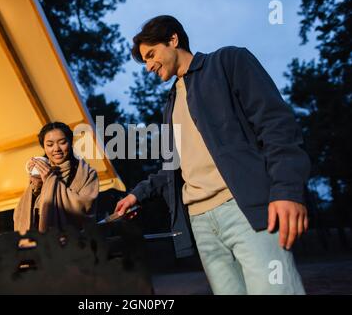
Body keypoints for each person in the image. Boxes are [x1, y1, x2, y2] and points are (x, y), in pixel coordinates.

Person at [115, 15, 311, 294]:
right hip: (202, 223)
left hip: (245, 210)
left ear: (173, 39)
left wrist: (287, 190)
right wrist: (137, 195)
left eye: (150, 55)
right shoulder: (170, 106)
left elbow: (276, 125)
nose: (148, 66)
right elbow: (172, 168)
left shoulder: (228, 62)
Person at [14, 122, 99, 237]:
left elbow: (83, 210)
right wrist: (36, 188)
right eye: (49, 145)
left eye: (62, 142)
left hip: (74, 244)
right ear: (44, 147)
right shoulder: (42, 173)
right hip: (40, 247)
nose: (56, 149)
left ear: (70, 143)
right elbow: (20, 214)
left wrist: (50, 180)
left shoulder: (87, 174)